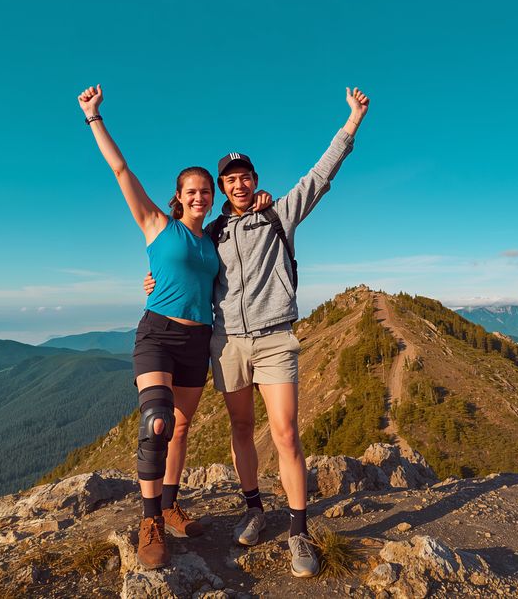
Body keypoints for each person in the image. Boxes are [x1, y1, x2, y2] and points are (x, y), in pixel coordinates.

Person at [144, 86, 370, 577]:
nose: (238, 185)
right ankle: (253, 508)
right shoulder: (213, 230)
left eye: (244, 177)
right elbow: (182, 263)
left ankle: (299, 532)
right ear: (222, 189)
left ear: (255, 181)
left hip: (273, 339)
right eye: (230, 180)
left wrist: (350, 124)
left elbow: (319, 176)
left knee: (286, 433)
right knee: (241, 429)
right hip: (225, 342)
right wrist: (154, 279)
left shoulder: (277, 215)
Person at [77, 83, 272, 569]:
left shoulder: (215, 238)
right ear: (179, 196)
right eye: (193, 191)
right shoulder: (157, 224)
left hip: (197, 341)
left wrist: (262, 199)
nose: (201, 196)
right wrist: (94, 117)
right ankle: (150, 523)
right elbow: (122, 171)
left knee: (181, 429)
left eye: (207, 191)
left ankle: (169, 503)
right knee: (157, 423)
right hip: (158, 334)